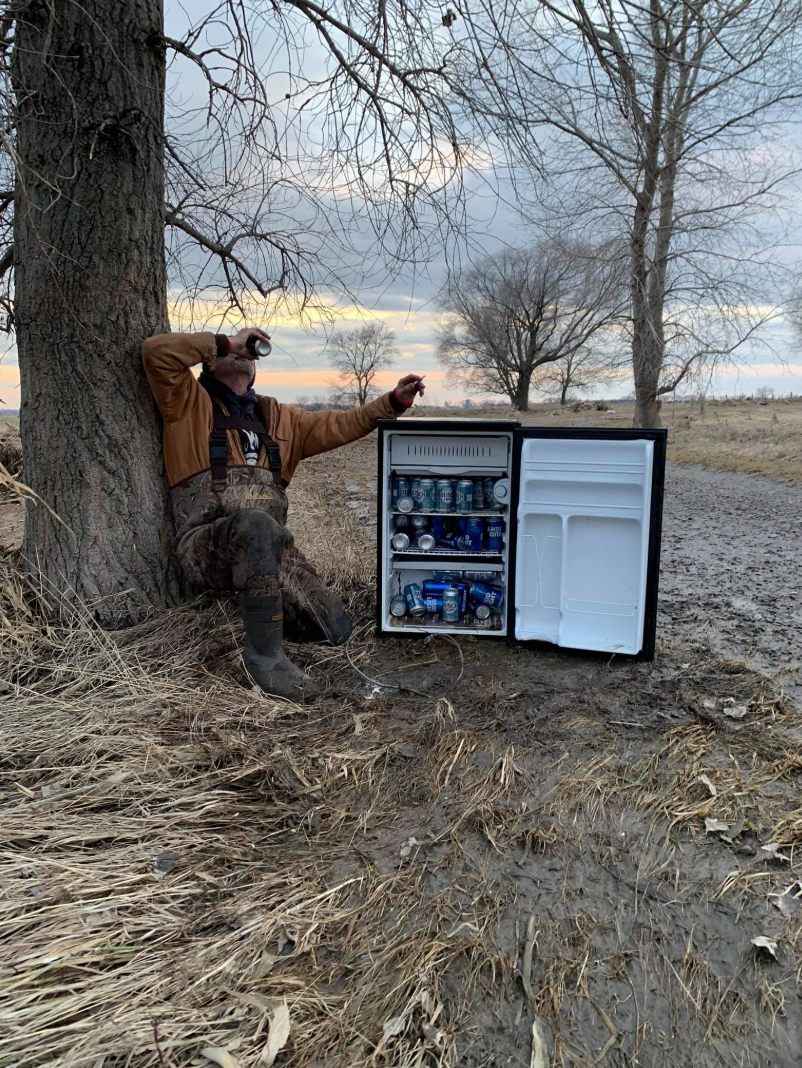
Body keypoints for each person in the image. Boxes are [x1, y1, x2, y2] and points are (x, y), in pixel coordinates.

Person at [143, 327, 425, 701]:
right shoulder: (186, 402)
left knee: (334, 627)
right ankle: (264, 657)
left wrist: (393, 402)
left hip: (273, 550)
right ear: (209, 360)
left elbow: (343, 423)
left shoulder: (280, 418)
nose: (244, 352)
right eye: (235, 347)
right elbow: (154, 352)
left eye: (249, 351)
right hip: (206, 546)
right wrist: (225, 342)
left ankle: (262, 609)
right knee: (255, 525)